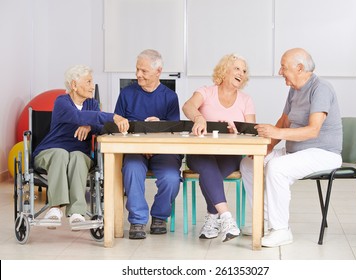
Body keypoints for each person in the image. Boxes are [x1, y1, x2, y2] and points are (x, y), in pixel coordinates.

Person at [240, 48, 343, 247]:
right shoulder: (294, 90)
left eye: (283, 67)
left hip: (324, 153)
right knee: (249, 163)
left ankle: (281, 230)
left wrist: (275, 133)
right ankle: (263, 222)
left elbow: (313, 130)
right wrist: (268, 147)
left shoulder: (321, 88)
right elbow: (285, 120)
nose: (280, 72)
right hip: (297, 151)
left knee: (277, 168)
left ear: (300, 68)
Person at [33, 65, 129, 227]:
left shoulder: (92, 104)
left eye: (93, 82)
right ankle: (55, 208)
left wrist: (90, 126)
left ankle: (77, 211)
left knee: (77, 156)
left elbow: (100, 126)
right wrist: (113, 116)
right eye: (89, 81)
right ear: (74, 85)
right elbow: (76, 116)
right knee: (60, 154)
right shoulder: (62, 102)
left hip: (79, 152)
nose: (93, 86)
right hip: (50, 151)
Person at [182, 53, 256, 242]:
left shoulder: (246, 100)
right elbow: (188, 106)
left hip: (229, 155)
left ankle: (213, 217)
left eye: (244, 70)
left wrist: (237, 132)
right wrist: (198, 117)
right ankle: (227, 218)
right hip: (200, 152)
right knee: (208, 167)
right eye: (237, 68)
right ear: (225, 70)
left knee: (209, 173)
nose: (242, 73)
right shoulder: (206, 91)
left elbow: (251, 133)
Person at [114, 49, 183, 239]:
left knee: (171, 178)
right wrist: (139, 144)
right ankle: (137, 220)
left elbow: (174, 131)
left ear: (158, 71)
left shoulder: (170, 97)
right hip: (135, 150)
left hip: (163, 151)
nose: (138, 75)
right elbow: (117, 127)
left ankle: (160, 216)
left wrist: (159, 127)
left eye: (143, 71)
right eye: (137, 70)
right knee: (132, 169)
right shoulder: (126, 94)